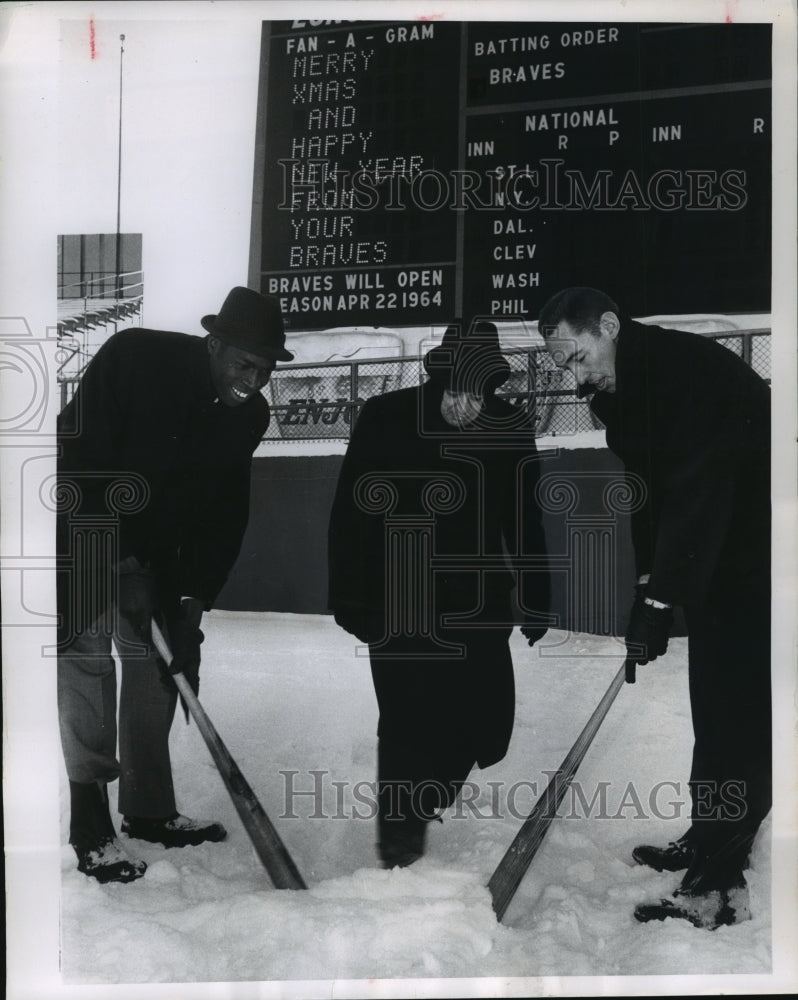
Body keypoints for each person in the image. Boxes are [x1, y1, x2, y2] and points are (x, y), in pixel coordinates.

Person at [538, 286, 771, 929]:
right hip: (722, 559)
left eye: (579, 357)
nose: (576, 377)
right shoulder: (626, 393)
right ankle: (707, 838)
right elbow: (649, 497)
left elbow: (699, 492)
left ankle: (718, 888)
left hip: (766, 557)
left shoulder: (684, 372)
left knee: (742, 714)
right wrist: (647, 587)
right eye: (564, 367)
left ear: (609, 325)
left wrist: (664, 597)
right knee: (714, 702)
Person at [57, 286, 293, 883]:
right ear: (213, 343)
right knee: (89, 663)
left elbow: (223, 513)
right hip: (81, 533)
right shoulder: (134, 357)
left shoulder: (249, 415)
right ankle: (90, 824)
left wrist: (191, 603)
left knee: (161, 671)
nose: (254, 381)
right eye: (244, 364)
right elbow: (78, 455)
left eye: (265, 371)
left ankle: (148, 810)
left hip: (157, 559)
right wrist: (118, 561)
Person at [328, 320, 551, 868]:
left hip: (477, 601)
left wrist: (536, 592)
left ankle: (424, 801)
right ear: (439, 378)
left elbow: (524, 518)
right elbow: (350, 513)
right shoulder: (386, 416)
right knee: (406, 723)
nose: (468, 402)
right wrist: (351, 598)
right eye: (459, 387)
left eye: (480, 391)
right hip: (397, 597)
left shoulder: (509, 426)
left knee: (487, 725)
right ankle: (399, 844)